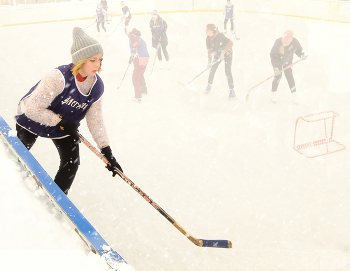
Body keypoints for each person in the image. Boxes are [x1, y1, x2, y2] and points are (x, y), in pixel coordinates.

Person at [15, 27, 123, 195]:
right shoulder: (58, 77)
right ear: (80, 60)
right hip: (33, 120)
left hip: (64, 126)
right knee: (19, 155)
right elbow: (32, 110)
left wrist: (106, 151)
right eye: (93, 60)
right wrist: (61, 121)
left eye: (100, 60)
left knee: (72, 162)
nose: (98, 65)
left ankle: (57, 198)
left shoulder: (97, 87)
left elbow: (95, 120)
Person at [270, 30, 307, 104]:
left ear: (290, 42)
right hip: (278, 61)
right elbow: (273, 56)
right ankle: (273, 92)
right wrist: (276, 67)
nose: (284, 44)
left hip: (288, 61)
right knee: (277, 76)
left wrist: (302, 55)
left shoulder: (295, 43)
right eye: (283, 42)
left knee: (289, 76)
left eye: (286, 43)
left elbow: (299, 50)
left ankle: (294, 94)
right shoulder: (278, 43)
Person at [205, 24, 236, 100]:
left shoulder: (220, 36)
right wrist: (209, 62)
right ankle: (209, 85)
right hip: (218, 54)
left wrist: (223, 52)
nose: (205, 31)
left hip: (227, 54)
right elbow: (209, 51)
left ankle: (232, 91)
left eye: (207, 30)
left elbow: (231, 43)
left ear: (211, 31)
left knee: (227, 71)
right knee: (212, 69)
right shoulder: (208, 38)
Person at [125, 26, 150, 102]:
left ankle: (138, 96)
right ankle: (144, 90)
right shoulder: (138, 36)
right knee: (140, 75)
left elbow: (134, 45)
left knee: (135, 78)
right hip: (146, 58)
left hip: (139, 58)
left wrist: (132, 56)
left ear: (127, 32)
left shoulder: (131, 36)